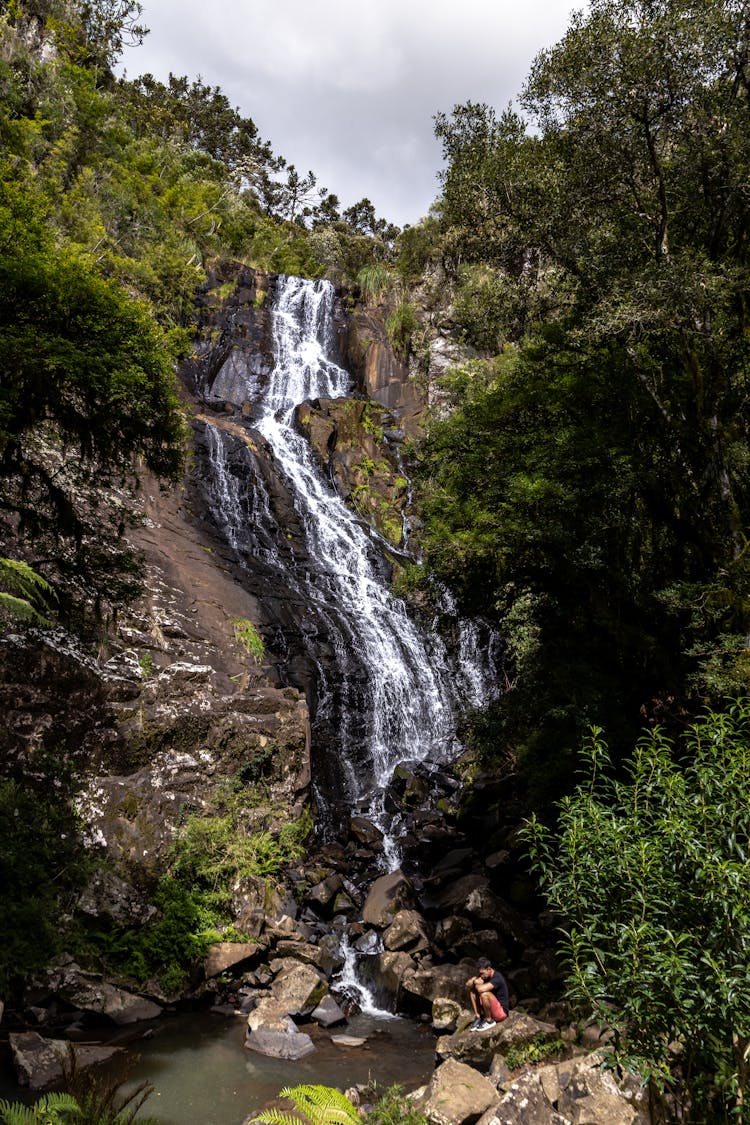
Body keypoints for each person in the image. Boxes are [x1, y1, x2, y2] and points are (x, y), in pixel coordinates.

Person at [465, 957, 509, 1031]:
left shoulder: (497, 978)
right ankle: (478, 1017)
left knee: (484, 994)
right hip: (491, 1009)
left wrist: (476, 983)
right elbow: (467, 985)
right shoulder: (485, 976)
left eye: (482, 973)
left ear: (489, 969)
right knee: (472, 992)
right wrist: (473, 980)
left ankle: (489, 1021)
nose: (481, 976)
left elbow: (480, 989)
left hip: (501, 1012)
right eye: (480, 973)